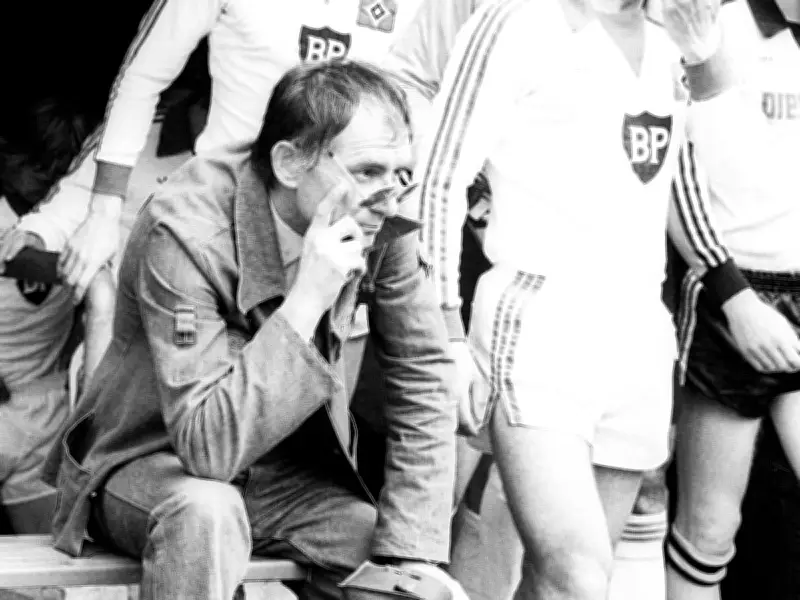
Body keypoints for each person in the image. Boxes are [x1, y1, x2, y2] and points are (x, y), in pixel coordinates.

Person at [44, 60, 465, 600]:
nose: (389, 195)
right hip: (148, 462)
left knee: (402, 575)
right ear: (289, 163)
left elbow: (422, 374)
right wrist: (308, 298)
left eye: (401, 173)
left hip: (283, 478)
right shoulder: (186, 228)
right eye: (367, 172)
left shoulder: (381, 213)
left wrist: (409, 558)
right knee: (207, 514)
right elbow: (207, 451)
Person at [412, 0, 732, 597]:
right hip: (538, 315)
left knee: (565, 579)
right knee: (576, 578)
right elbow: (439, 177)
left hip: (639, 326)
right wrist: (445, 332)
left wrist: (704, 55)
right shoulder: (517, 21)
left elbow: (712, 171)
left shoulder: (676, 32)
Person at [57, 0, 427, 302]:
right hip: (223, 213)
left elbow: (413, 100)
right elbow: (142, 77)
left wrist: (411, 214)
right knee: (178, 360)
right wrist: (103, 214)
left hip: (341, 221)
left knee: (321, 363)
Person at [664, 0, 800, 597]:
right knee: (709, 530)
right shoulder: (712, 25)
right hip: (737, 291)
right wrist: (731, 292)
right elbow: (675, 169)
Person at [0, 100, 114, 533]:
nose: (47, 177)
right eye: (36, 164)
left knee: (53, 559)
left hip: (43, 411)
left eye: (60, 168)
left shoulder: (84, 225)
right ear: (6, 153)